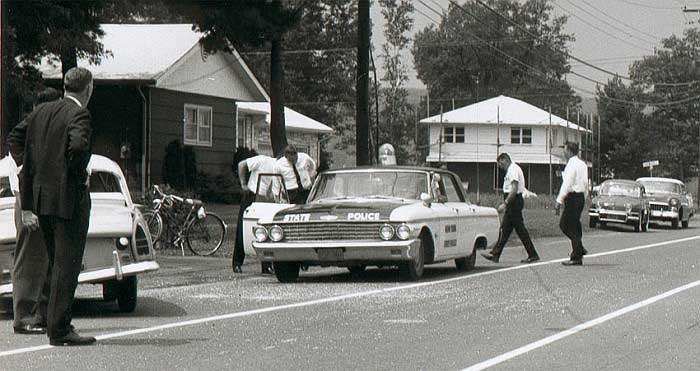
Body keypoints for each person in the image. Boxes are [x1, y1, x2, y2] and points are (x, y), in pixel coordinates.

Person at [7, 67, 95, 346]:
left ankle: (47, 315)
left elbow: (15, 137)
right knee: (66, 264)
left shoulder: (41, 112)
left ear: (65, 86)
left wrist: (32, 170)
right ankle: (59, 328)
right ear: (88, 89)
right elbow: (79, 148)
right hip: (68, 198)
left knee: (53, 260)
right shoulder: (79, 114)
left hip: (41, 198)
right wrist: (73, 175)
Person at [10, 87, 62, 335]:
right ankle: (24, 316)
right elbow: (19, 176)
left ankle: (40, 313)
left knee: (44, 260)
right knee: (29, 260)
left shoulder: (39, 133)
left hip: (41, 200)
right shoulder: (27, 133)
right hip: (28, 201)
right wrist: (27, 211)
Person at [481, 153, 540, 264]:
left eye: (500, 163)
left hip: (514, 201)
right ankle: (496, 254)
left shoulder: (513, 169)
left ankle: (532, 254)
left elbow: (514, 189)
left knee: (518, 229)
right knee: (506, 229)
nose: (500, 166)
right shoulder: (511, 170)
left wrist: (506, 203)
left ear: (505, 160)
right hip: (513, 201)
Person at [233, 149, 278, 274]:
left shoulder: (281, 168)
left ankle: (267, 265)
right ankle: (237, 263)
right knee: (242, 229)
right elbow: (241, 164)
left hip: (266, 199)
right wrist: (243, 184)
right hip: (252, 195)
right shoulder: (262, 160)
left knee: (266, 230)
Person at [556, 141, 589, 266]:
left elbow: (567, 183)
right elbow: (586, 183)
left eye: (565, 150)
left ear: (569, 151)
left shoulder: (571, 165)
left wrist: (559, 200)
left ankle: (577, 252)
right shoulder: (582, 164)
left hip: (573, 196)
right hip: (580, 196)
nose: (564, 152)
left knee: (565, 224)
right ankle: (578, 250)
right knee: (575, 225)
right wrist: (585, 196)